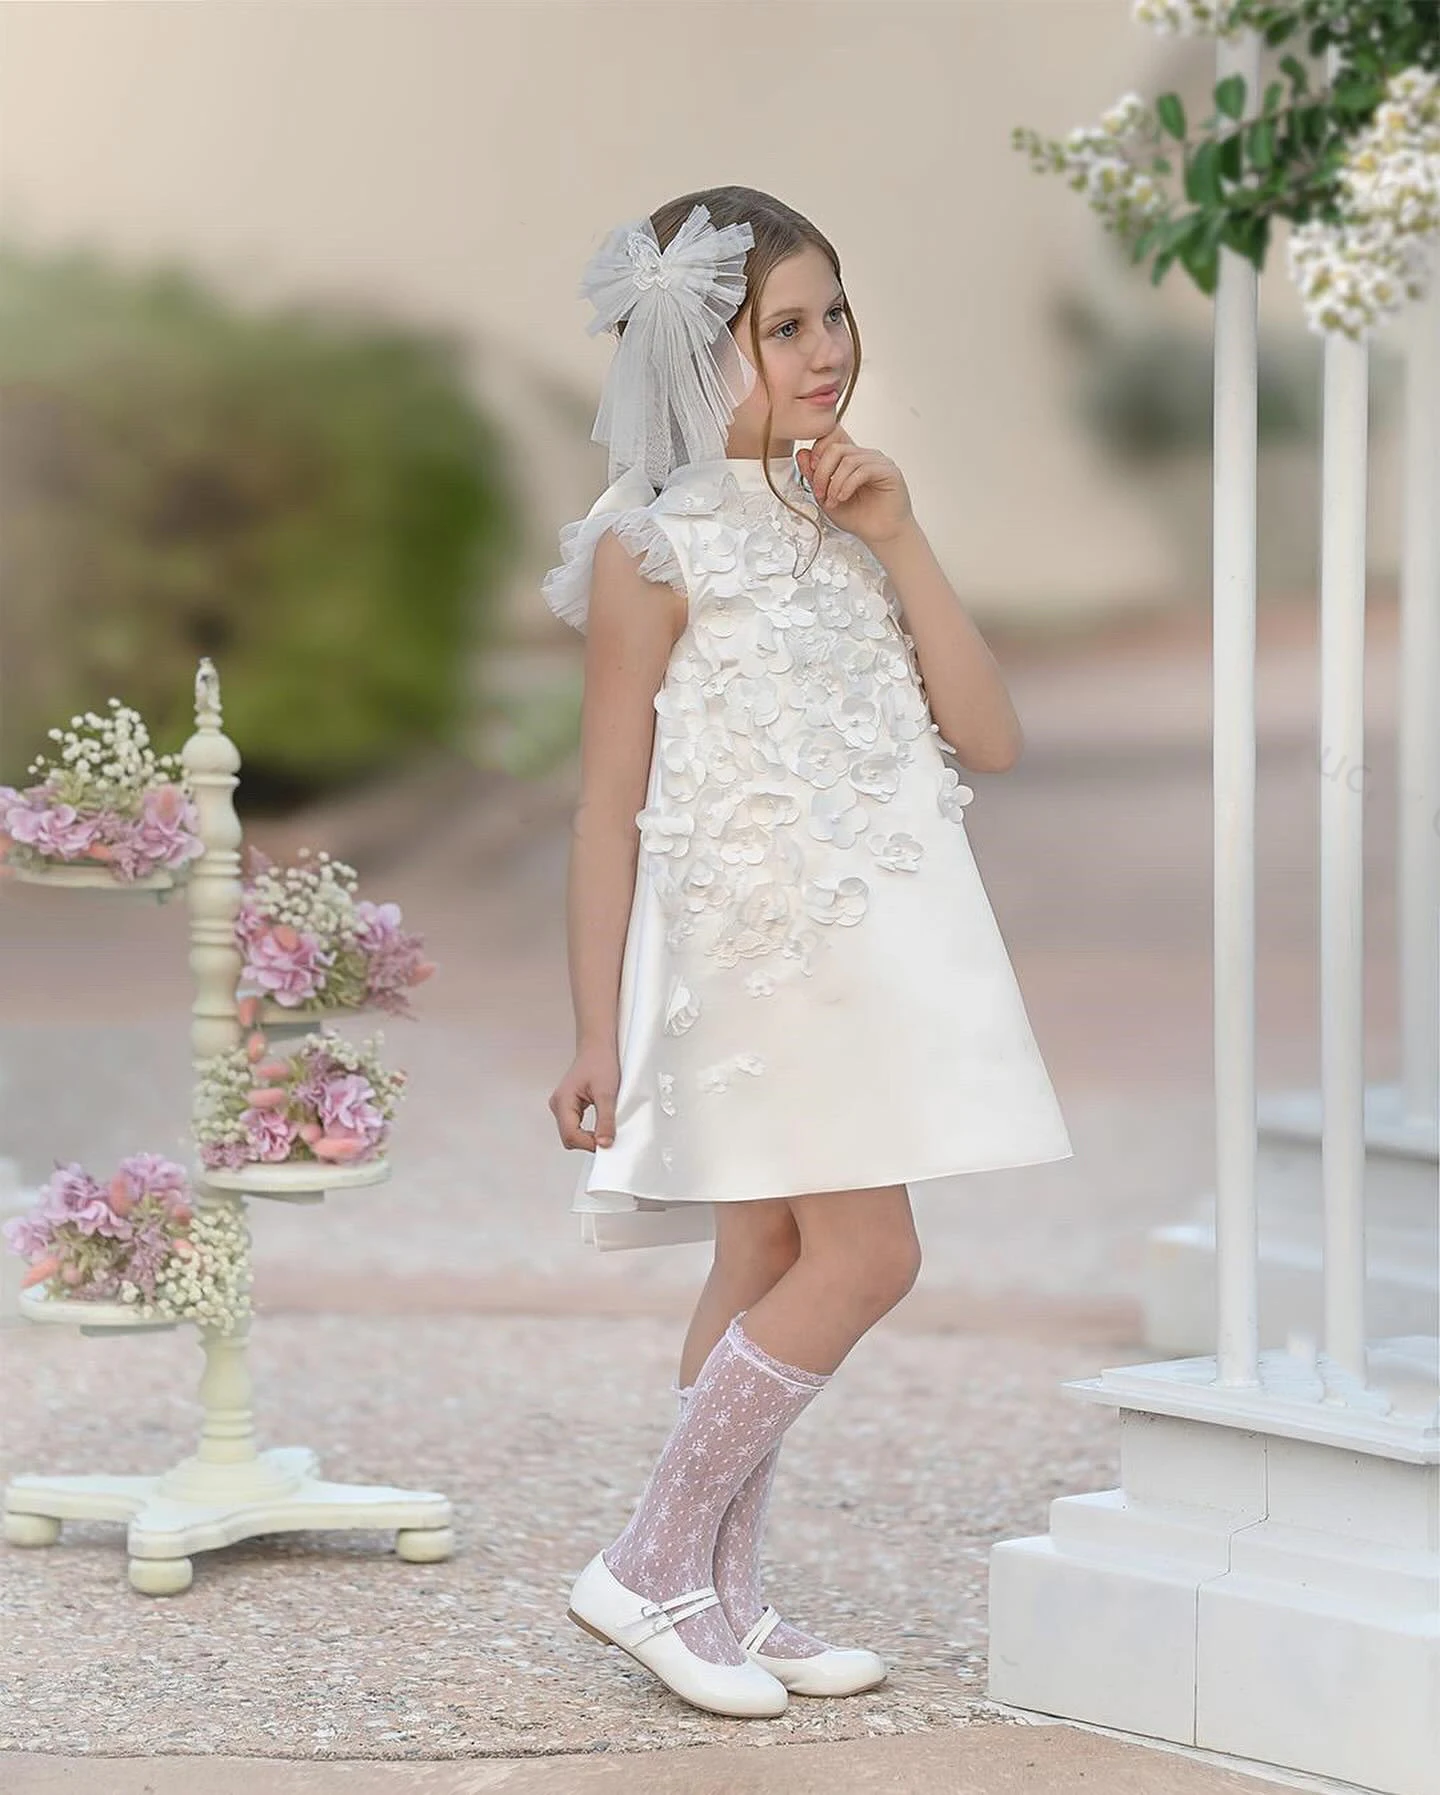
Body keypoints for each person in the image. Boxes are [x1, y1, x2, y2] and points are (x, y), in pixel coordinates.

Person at [543, 187, 1074, 1719]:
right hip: (762, 953)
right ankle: (650, 1560)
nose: (825, 350)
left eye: (834, 313)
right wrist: (596, 1031)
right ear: (700, 355)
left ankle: (721, 1592)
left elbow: (991, 733)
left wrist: (898, 535)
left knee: (770, 1257)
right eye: (784, 328)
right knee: (871, 1252)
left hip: (878, 947)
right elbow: (604, 806)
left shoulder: (856, 511)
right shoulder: (655, 551)